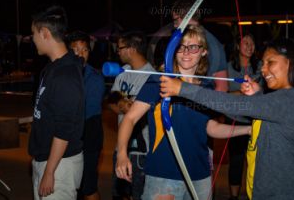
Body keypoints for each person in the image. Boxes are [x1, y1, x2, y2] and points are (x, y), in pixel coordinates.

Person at [160, 37, 294, 200]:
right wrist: (256, 96)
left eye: (270, 62)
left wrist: (182, 88)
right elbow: (245, 113)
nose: (263, 69)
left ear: (290, 62)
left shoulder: (291, 99)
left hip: (287, 193)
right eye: (263, 64)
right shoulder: (285, 100)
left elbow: (233, 105)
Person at [116, 25, 251, 200]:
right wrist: (121, 154)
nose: (186, 52)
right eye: (181, 46)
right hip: (163, 173)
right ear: (173, 50)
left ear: (203, 52)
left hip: (200, 174)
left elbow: (210, 127)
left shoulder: (205, 87)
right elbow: (130, 118)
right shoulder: (159, 81)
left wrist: (247, 129)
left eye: (193, 47)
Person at [28, 5, 85, 200]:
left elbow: (64, 128)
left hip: (59, 165)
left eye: (33, 33)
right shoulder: (52, 69)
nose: (32, 38)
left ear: (44, 33)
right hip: (48, 159)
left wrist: (50, 172)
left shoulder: (65, 75)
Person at [110, 31, 155, 200]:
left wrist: (125, 105)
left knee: (138, 195)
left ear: (131, 49)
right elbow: (111, 102)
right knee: (119, 194)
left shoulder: (151, 77)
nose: (118, 52)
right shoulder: (123, 72)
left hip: (141, 151)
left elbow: (141, 113)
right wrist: (124, 105)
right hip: (121, 148)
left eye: (120, 48)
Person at [68, 31, 105, 200]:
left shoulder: (95, 78)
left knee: (88, 186)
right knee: (68, 185)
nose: (81, 54)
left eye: (85, 50)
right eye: (76, 49)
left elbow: (87, 110)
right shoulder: (62, 74)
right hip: (67, 135)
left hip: (89, 133)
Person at [226, 33, 262, 200]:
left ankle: (254, 194)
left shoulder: (261, 66)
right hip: (235, 118)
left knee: (257, 160)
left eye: (252, 43)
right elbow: (223, 95)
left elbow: (265, 92)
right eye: (245, 42)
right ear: (237, 46)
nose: (249, 46)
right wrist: (241, 91)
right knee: (237, 160)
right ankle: (234, 197)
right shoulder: (228, 67)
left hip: (255, 119)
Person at [171, 0, 229, 92]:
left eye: (175, 20)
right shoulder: (179, 38)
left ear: (186, 17)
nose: (175, 25)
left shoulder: (211, 43)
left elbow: (222, 87)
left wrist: (202, 105)